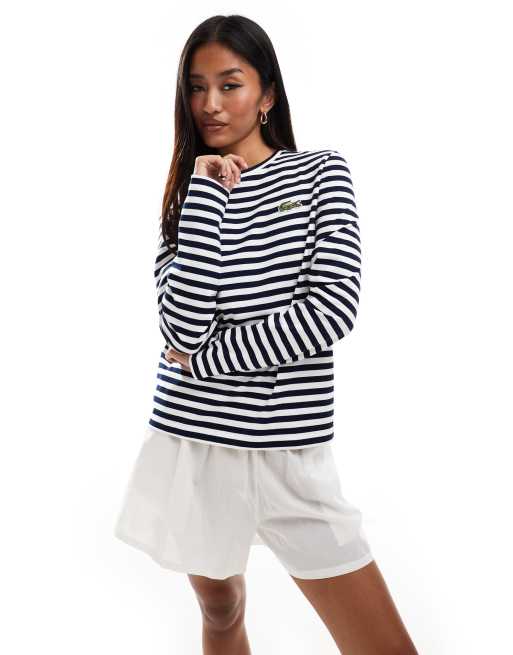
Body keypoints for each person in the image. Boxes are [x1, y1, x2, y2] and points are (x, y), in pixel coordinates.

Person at [114, 13, 418, 655]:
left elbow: (330, 311)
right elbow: (181, 325)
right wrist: (206, 194)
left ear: (268, 94)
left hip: (288, 452)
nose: (210, 104)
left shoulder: (321, 174)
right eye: (197, 87)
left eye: (230, 84)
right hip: (195, 444)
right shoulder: (187, 196)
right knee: (220, 609)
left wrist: (201, 362)